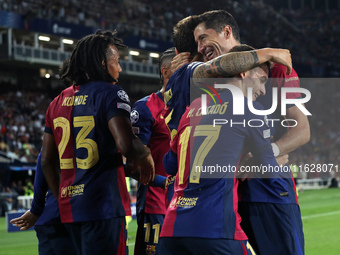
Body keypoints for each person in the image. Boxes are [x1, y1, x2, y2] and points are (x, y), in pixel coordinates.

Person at [174, 10, 308, 255]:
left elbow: (302, 130)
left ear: (226, 31)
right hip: (221, 202)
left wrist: (268, 154)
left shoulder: (272, 69)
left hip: (267, 194)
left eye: (204, 38)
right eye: (197, 42)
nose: (201, 47)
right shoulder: (202, 75)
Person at [159, 44, 288, 254]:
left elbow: (170, 164)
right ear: (244, 71)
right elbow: (271, 172)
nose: (263, 90)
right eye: (262, 80)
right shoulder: (249, 111)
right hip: (216, 230)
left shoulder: (191, 109)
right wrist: (280, 158)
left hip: (172, 231)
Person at [41, 30, 154, 255]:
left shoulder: (56, 102)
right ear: (103, 63)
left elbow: (46, 161)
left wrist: (63, 197)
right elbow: (127, 145)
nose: (120, 68)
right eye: (117, 62)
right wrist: (146, 155)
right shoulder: (111, 93)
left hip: (69, 210)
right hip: (103, 207)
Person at [131, 47, 175, 255]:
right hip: (155, 202)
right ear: (165, 71)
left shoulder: (192, 107)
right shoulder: (145, 108)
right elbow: (133, 164)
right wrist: (162, 181)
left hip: (185, 201)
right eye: (180, 69)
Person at [10, 152, 76, 255]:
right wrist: (36, 210)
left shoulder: (55, 144)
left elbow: (44, 163)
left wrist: (36, 210)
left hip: (49, 217)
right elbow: (44, 161)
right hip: (69, 216)